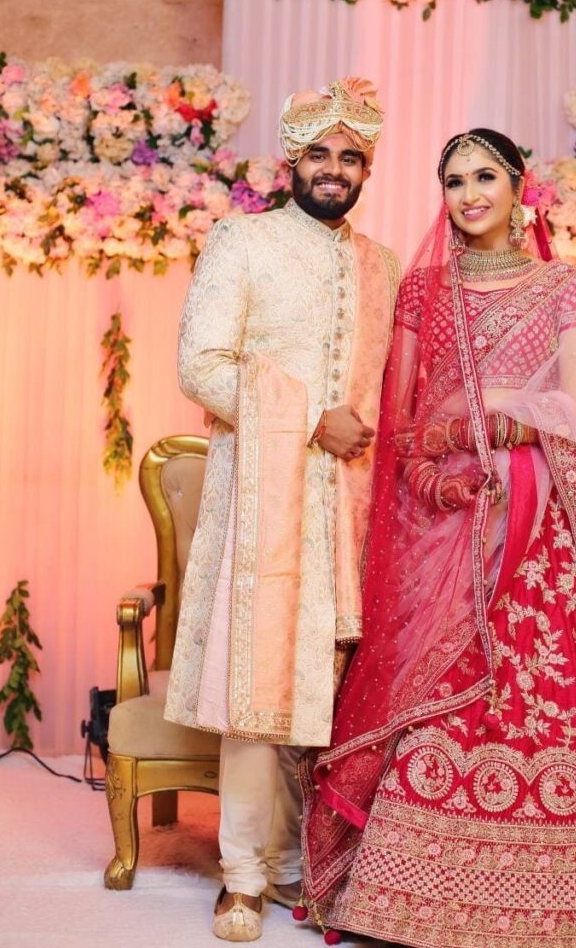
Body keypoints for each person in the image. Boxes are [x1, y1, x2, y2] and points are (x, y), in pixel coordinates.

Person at [300, 128, 576, 947]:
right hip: (440, 523)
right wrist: (437, 476)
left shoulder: (561, 284)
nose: (468, 193)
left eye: (484, 176)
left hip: (531, 516)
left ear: (519, 185)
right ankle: (403, 886)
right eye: (452, 181)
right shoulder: (420, 292)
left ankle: (567, 885)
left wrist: (496, 423)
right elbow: (402, 424)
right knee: (424, 675)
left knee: (547, 673)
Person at [163, 78, 400, 942]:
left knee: (336, 691)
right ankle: (242, 877)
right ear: (289, 162)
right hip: (266, 495)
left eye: (350, 157)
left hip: (355, 504)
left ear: (366, 169)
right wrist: (307, 420)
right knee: (257, 683)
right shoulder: (242, 241)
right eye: (318, 155)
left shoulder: (380, 265)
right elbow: (202, 365)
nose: (333, 170)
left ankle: (315, 865)